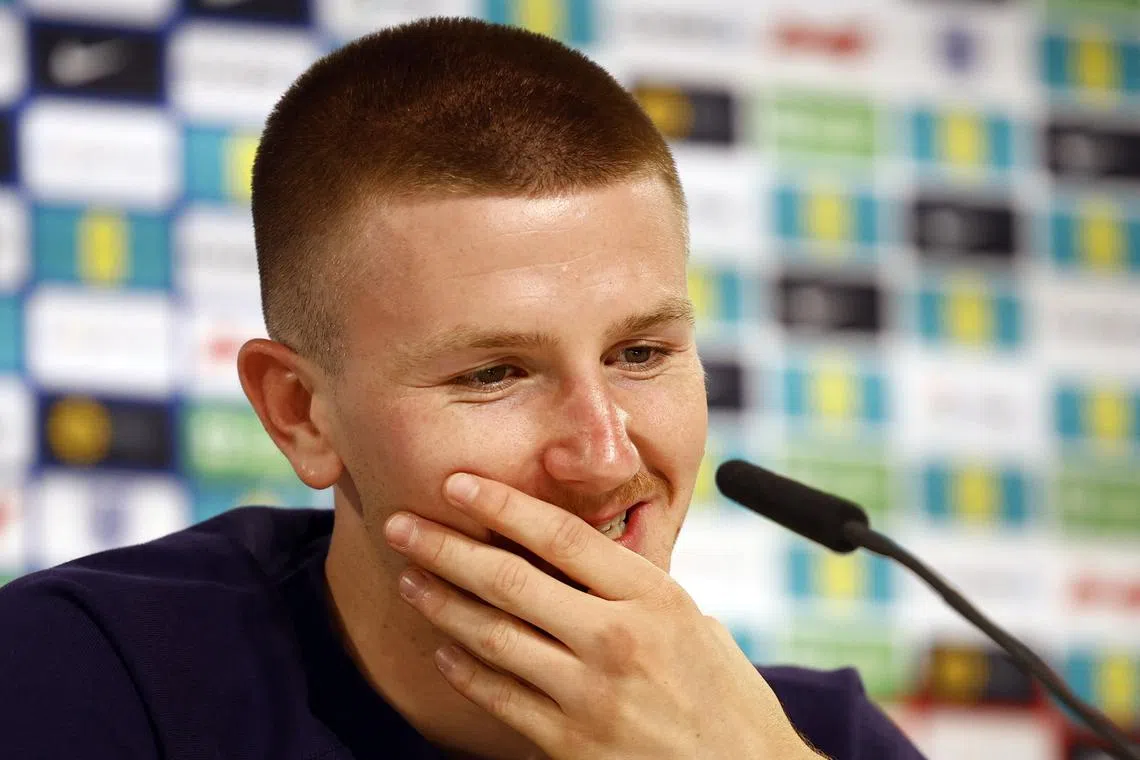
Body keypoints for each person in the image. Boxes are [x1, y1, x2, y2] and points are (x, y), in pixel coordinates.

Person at [0, 17, 925, 760]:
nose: (604, 457)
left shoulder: (813, 740)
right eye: (494, 374)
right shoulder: (82, 677)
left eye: (641, 354)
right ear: (301, 414)